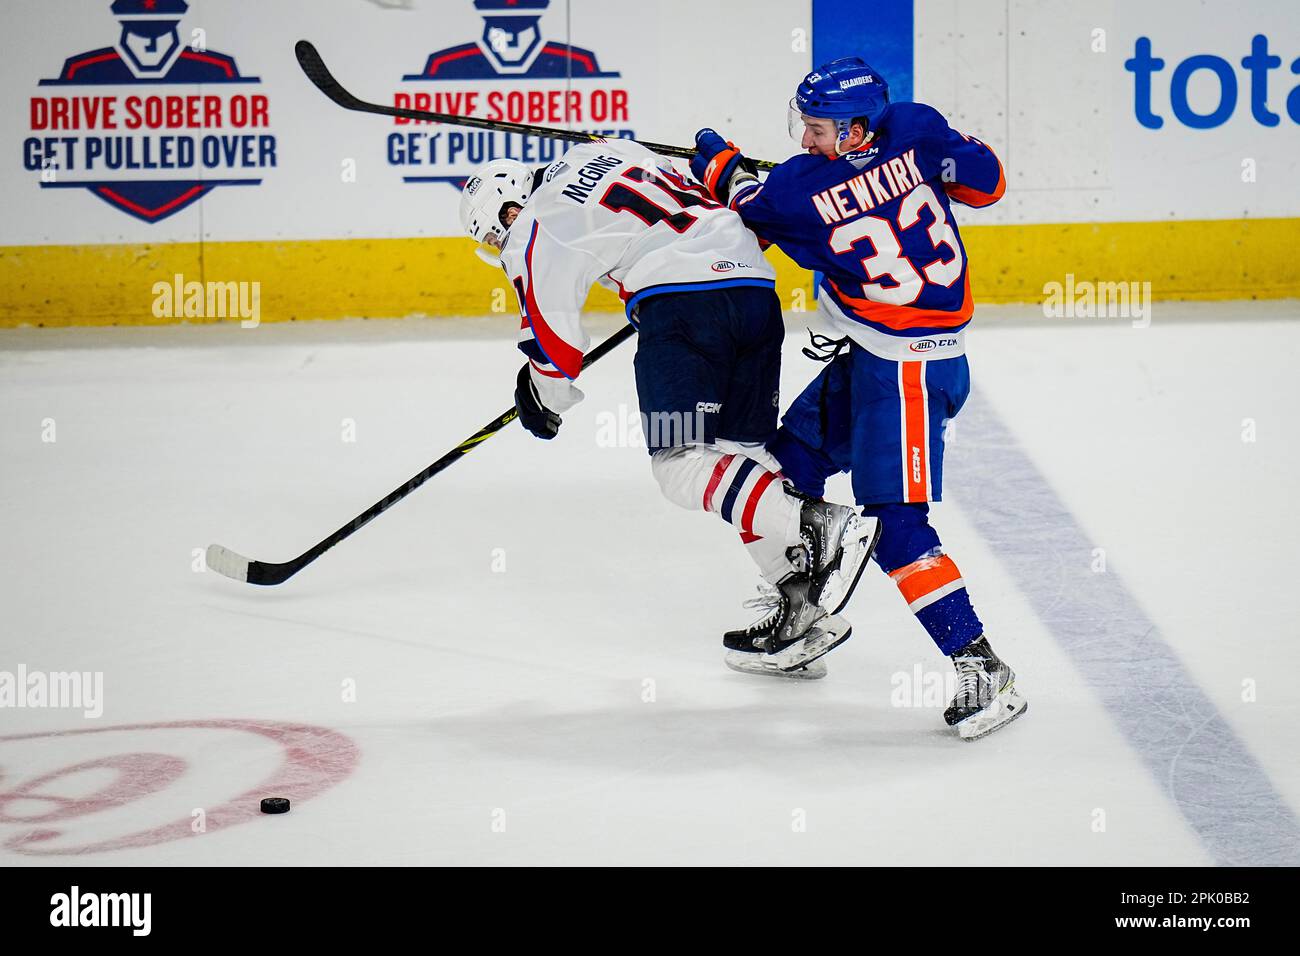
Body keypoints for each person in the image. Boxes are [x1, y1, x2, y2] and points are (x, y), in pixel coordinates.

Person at [690, 57, 1026, 738]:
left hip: (907, 378)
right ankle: (804, 620)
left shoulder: (798, 190)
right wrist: (920, 162)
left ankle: (982, 665)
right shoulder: (915, 127)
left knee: (897, 529)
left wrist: (716, 157)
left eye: (816, 129)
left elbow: (747, 203)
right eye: (803, 125)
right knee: (782, 470)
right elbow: (985, 184)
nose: (804, 138)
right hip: (881, 359)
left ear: (853, 129)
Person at [458, 138, 879, 678]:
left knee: (680, 465)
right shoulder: (613, 150)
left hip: (683, 314)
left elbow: (555, 349)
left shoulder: (534, 224)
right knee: (738, 459)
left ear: (509, 206)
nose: (501, 242)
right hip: (752, 293)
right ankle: (799, 607)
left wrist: (542, 398)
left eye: (496, 231)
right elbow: (716, 200)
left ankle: (819, 523)